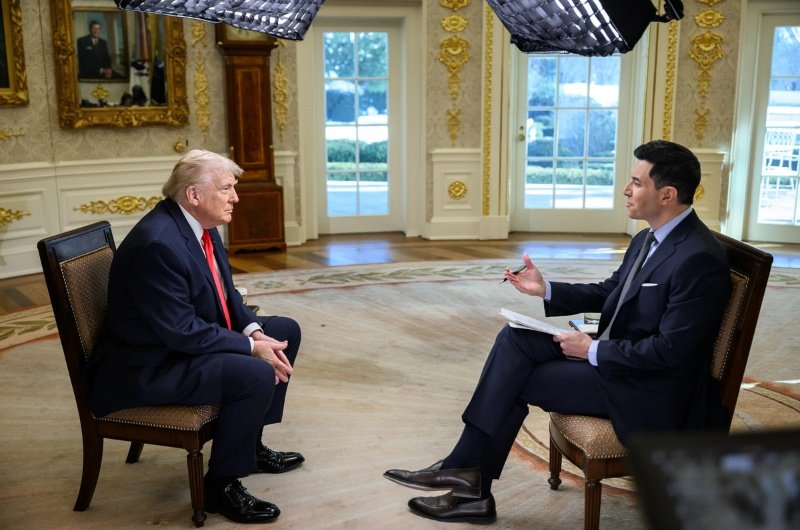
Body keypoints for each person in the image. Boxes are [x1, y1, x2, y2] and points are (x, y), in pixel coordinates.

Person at [384, 140, 732, 523]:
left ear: (667, 194)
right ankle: (465, 476)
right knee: (515, 338)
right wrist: (545, 289)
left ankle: (469, 481)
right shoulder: (648, 237)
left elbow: (672, 351)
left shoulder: (698, 258)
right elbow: (609, 292)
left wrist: (592, 351)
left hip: (648, 391)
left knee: (514, 377)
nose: (625, 190)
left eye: (636, 182)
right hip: (618, 363)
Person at [88, 150, 303, 524]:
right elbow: (181, 332)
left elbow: (227, 294)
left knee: (284, 331)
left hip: (173, 346)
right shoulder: (157, 244)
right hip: (147, 366)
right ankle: (220, 486)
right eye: (226, 188)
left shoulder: (201, 224)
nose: (235, 197)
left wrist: (254, 332)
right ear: (194, 195)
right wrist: (251, 348)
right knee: (252, 373)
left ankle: (249, 445)